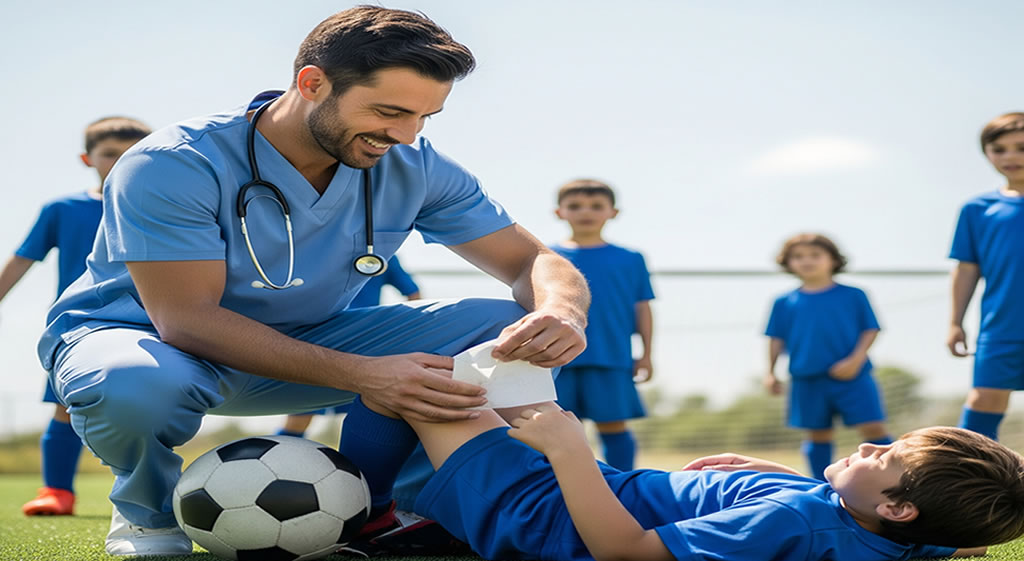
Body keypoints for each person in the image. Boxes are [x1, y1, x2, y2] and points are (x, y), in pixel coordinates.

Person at [38, 7, 588, 557]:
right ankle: (148, 517)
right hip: (156, 344)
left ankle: (416, 509)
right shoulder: (171, 162)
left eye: (425, 117)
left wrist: (562, 311)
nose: (404, 135)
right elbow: (186, 320)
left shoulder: (415, 163)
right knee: (131, 382)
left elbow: (531, 261)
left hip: (307, 339)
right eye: (389, 111)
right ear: (311, 82)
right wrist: (365, 375)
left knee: (504, 330)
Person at [346, 395, 1017, 560]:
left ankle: (369, 518)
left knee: (411, 381)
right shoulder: (911, 533)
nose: (872, 442)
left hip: (545, 509)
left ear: (899, 506)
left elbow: (624, 550)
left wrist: (567, 449)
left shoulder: (790, 522)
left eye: (889, 456)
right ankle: (436, 516)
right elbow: (960, 536)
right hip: (575, 492)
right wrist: (766, 471)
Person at [2, 117, 151, 516]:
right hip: (80, 325)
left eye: (132, 152)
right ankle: (57, 492)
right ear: (88, 158)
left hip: (153, 321)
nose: (121, 162)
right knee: (64, 406)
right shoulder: (63, 209)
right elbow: (21, 261)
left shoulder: (161, 203)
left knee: (152, 402)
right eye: (110, 154)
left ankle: (155, 494)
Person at [763, 234, 891, 480]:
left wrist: (855, 360)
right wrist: (770, 372)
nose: (807, 261)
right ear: (788, 263)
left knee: (873, 428)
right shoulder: (783, 302)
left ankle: (894, 479)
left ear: (832, 259)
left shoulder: (854, 295)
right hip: (806, 379)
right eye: (798, 256)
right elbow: (775, 339)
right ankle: (820, 486)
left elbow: (871, 329)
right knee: (817, 434)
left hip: (852, 376)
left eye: (815, 255)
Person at [550, 179, 654, 470]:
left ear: (613, 212)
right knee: (558, 430)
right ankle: (559, 492)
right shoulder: (546, 257)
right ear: (559, 212)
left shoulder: (631, 259)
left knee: (613, 427)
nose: (586, 212)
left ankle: (625, 486)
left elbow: (642, 307)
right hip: (555, 358)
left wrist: (646, 353)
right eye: (575, 206)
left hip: (611, 357)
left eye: (596, 206)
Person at [276, 254, 421, 439]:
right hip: (319, 340)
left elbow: (412, 292)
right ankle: (284, 462)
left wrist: (406, 331)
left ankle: (357, 464)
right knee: (302, 415)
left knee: (362, 414)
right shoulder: (316, 250)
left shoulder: (383, 254)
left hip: (358, 345)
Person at [947, 112, 1024, 441]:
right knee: (983, 402)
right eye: (999, 149)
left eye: (1020, 147)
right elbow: (967, 269)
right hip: (1001, 326)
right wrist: (955, 321)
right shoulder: (977, 209)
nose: (1010, 156)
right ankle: (966, 486)